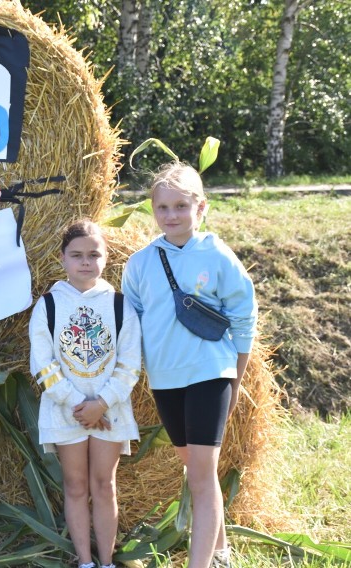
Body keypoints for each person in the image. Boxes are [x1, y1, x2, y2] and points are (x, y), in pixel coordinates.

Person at [122, 162, 257, 568]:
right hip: (165, 380)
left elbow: (244, 318)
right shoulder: (140, 263)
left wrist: (236, 380)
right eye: (163, 207)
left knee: (199, 475)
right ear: (152, 210)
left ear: (202, 208)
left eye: (181, 206)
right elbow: (132, 320)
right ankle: (221, 553)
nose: (172, 215)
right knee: (196, 470)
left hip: (209, 374)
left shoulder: (217, 256)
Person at [29, 219, 142, 568]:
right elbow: (42, 364)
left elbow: (130, 363)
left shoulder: (120, 306)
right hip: (68, 412)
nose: (85, 262)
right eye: (76, 255)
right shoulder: (48, 306)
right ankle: (84, 561)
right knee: (76, 486)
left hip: (111, 410)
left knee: (104, 485)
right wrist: (78, 404)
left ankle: (106, 561)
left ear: (106, 258)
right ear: (62, 258)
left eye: (94, 255)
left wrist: (103, 402)